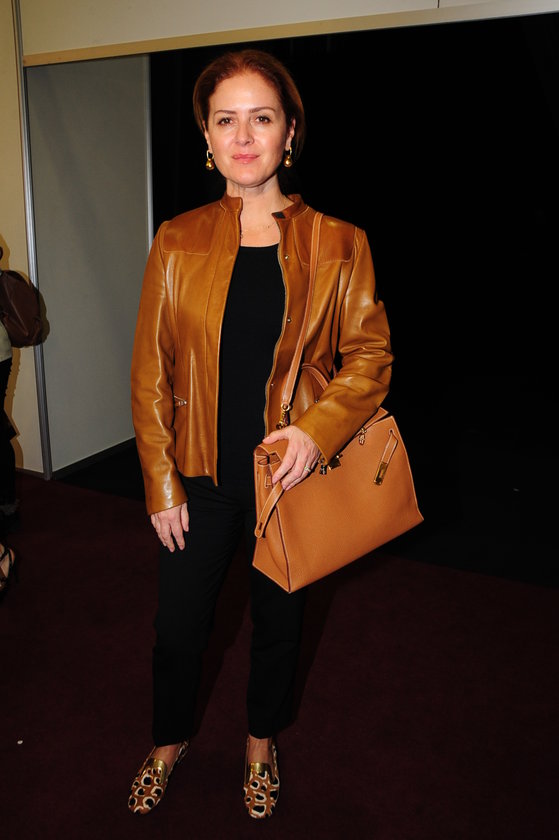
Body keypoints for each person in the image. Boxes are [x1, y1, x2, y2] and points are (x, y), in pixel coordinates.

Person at [129, 48, 392, 820]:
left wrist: (315, 430)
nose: (243, 136)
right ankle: (168, 740)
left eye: (261, 118)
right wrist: (160, 482)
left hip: (288, 480)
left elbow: (369, 356)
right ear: (206, 138)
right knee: (178, 630)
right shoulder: (175, 240)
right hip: (200, 479)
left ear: (289, 132)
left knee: (279, 626)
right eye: (225, 120)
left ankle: (260, 740)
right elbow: (149, 370)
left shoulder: (340, 242)